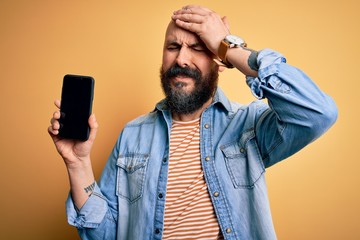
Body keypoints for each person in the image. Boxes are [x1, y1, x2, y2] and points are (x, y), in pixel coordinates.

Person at [48, 5, 337, 240]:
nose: (182, 59)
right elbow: (106, 234)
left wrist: (230, 48)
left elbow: (317, 112)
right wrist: (78, 165)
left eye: (198, 48)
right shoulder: (132, 135)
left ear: (218, 60)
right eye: (173, 46)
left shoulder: (247, 126)